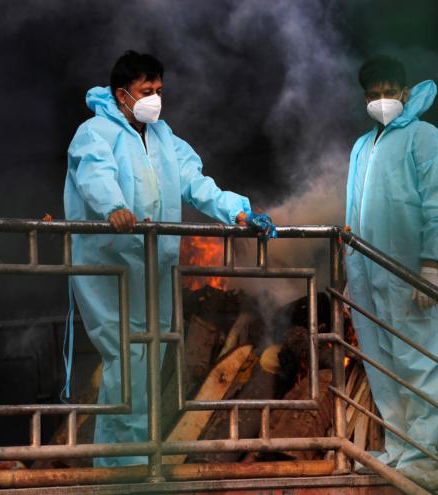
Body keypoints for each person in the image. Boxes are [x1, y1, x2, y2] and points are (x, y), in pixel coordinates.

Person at [64, 50, 274, 467]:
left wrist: (238, 210)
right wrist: (113, 208)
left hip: (155, 267)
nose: (155, 98)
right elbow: (94, 175)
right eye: (147, 91)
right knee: (126, 365)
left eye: (159, 90)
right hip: (112, 268)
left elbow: (196, 182)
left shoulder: (162, 136)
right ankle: (123, 468)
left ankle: (124, 466)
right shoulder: (94, 134)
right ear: (122, 94)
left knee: (147, 361)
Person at [344, 54, 438, 492]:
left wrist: (430, 265)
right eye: (373, 94)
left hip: (413, 275)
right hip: (372, 274)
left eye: (388, 92)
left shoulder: (426, 139)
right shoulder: (364, 146)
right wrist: (352, 269)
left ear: (404, 91)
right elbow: (357, 213)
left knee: (419, 364)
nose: (382, 101)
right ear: (365, 97)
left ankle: (428, 460)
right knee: (386, 366)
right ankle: (402, 452)